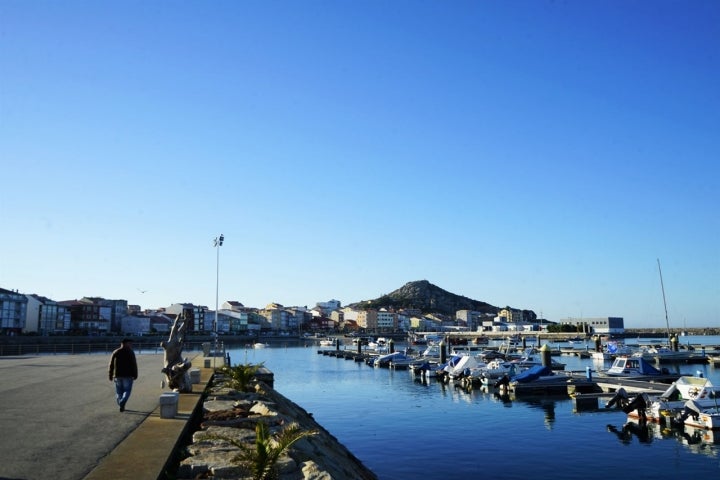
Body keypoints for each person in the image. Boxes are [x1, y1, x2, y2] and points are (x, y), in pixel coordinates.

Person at [108, 338, 138, 412]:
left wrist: (110, 374)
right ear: (124, 343)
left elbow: (111, 365)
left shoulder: (116, 352)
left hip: (117, 375)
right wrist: (135, 374)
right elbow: (134, 364)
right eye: (130, 343)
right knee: (127, 390)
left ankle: (121, 404)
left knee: (119, 392)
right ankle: (122, 402)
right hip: (128, 375)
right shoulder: (130, 352)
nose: (131, 345)